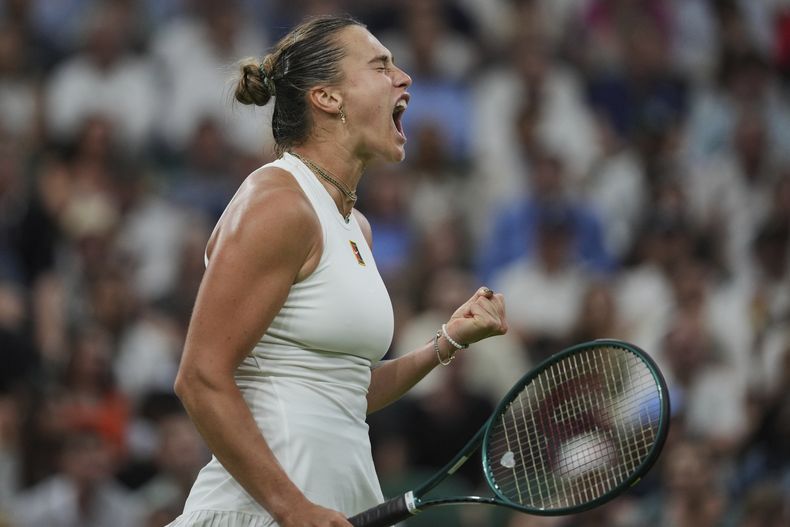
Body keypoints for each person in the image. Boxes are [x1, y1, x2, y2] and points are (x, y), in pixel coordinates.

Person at [167, 15, 507, 527]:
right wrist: (291, 507)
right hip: (262, 513)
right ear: (327, 97)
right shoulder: (277, 202)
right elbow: (199, 378)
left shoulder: (355, 226)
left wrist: (445, 342)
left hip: (329, 509)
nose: (404, 78)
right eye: (380, 66)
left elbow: (345, 392)